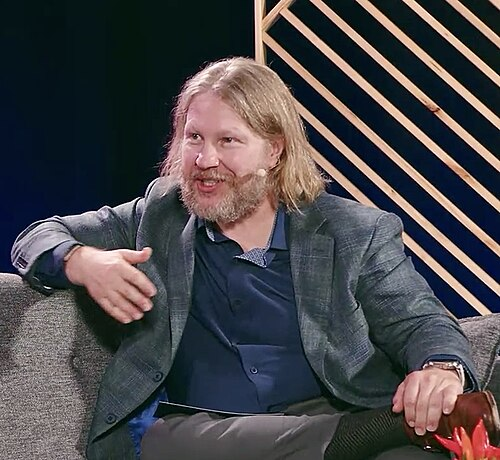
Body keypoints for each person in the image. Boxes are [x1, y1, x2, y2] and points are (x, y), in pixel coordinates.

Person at [11, 57, 499, 460]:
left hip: (331, 410)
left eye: (228, 141)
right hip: (202, 432)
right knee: (175, 444)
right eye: (194, 138)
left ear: (274, 152)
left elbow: (419, 322)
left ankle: (379, 437)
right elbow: (34, 237)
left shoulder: (353, 231)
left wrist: (441, 369)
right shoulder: (157, 215)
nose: (205, 160)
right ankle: (387, 428)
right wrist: (81, 261)